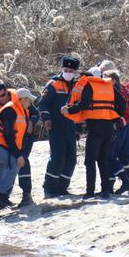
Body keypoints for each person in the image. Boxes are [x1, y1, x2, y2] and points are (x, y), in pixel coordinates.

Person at [62, 70, 126, 198]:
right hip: (109, 127)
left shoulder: (88, 85)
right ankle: (105, 190)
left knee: (90, 161)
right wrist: (115, 115)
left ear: (85, 78)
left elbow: (84, 104)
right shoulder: (108, 86)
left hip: (95, 127)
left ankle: (90, 192)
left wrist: (68, 110)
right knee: (103, 160)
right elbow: (123, 102)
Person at [0, 88, 35, 219]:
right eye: (29, 100)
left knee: (1, 176)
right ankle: (1, 195)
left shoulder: (21, 110)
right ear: (22, 99)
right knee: (15, 164)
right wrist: (18, 155)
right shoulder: (10, 110)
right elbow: (8, 135)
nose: (30, 103)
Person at [39, 56, 80, 198]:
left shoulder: (77, 85)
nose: (68, 72)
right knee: (57, 157)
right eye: (66, 69)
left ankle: (63, 187)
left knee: (71, 159)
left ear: (75, 72)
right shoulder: (53, 84)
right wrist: (46, 118)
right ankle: (49, 188)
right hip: (56, 126)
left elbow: (79, 107)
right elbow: (43, 104)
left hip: (71, 127)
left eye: (71, 70)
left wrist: (80, 127)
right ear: (62, 69)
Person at [104, 70, 129, 194]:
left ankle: (124, 181)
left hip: (118, 125)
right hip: (124, 124)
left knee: (110, 155)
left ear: (113, 80)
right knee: (123, 154)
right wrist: (127, 117)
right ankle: (126, 181)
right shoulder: (123, 88)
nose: (103, 80)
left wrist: (121, 118)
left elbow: (124, 105)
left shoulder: (114, 91)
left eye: (105, 78)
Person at [17, 100, 40, 207]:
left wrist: (31, 121)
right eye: (27, 99)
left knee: (23, 163)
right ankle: (3, 196)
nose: (30, 102)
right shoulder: (11, 109)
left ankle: (26, 194)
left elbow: (36, 113)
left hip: (26, 141)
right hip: (13, 142)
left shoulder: (29, 107)